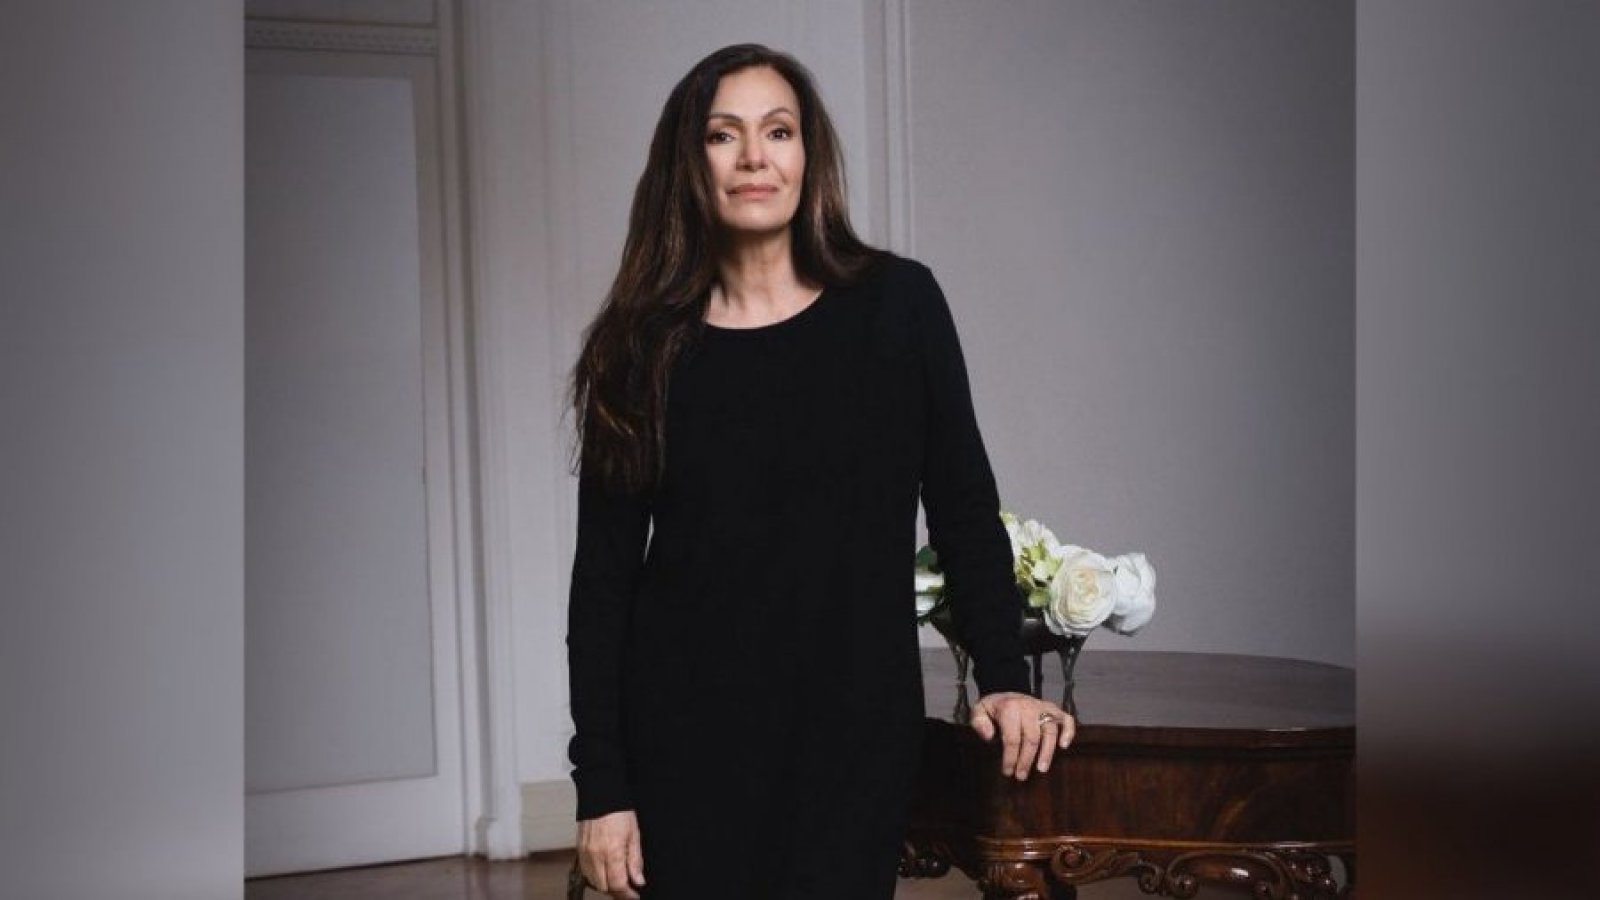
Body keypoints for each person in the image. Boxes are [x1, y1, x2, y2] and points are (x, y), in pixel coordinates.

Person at [565, 43, 1074, 900]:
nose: (754, 157)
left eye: (778, 131)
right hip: (685, 742)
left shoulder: (900, 307)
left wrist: (1004, 681)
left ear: (809, 154)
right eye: (723, 135)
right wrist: (603, 788)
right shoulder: (641, 347)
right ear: (690, 162)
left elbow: (962, 507)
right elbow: (603, 585)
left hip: (852, 737)